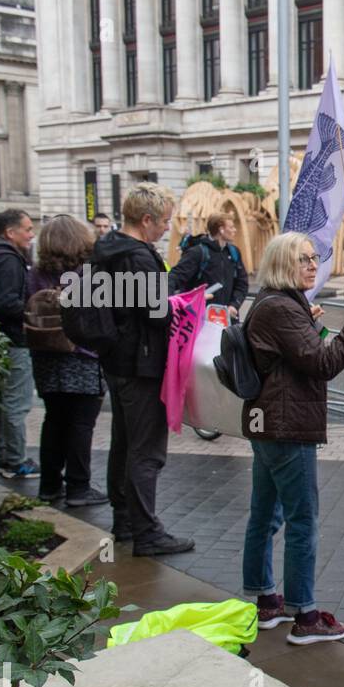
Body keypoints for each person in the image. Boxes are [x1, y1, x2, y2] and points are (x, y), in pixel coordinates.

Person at [242, 232, 344, 643]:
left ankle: (264, 602)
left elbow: (297, 355)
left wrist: (312, 324)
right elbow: (324, 364)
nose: (313, 264)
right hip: (288, 427)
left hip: (269, 424)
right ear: (284, 263)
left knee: (265, 514)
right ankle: (305, 616)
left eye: (314, 257)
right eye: (303, 259)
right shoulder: (282, 307)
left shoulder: (272, 302)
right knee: (302, 520)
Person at [95, 182, 194, 556]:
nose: (167, 228)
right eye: (165, 221)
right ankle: (147, 533)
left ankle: (124, 520)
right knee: (146, 450)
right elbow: (156, 314)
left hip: (117, 362)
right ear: (146, 219)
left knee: (123, 443)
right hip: (141, 363)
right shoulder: (137, 257)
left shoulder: (104, 249)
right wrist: (178, 306)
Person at [27, 215, 108, 507]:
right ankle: (78, 487)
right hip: (83, 357)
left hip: (46, 356)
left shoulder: (36, 273)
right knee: (81, 424)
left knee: (54, 421)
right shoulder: (88, 274)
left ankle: (49, 485)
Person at [0, 209, 38, 479]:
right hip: (12, 340)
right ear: (10, 232)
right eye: (27, 229)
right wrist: (32, 310)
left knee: (1, 401)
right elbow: (7, 303)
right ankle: (15, 460)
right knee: (16, 401)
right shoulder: (8, 260)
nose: (31, 234)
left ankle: (4, 455)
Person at [168, 213, 249, 312]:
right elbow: (175, 277)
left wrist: (234, 305)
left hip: (225, 317)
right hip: (200, 317)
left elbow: (242, 283)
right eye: (231, 227)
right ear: (221, 229)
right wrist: (166, 305)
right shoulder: (197, 252)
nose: (235, 230)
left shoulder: (234, 252)